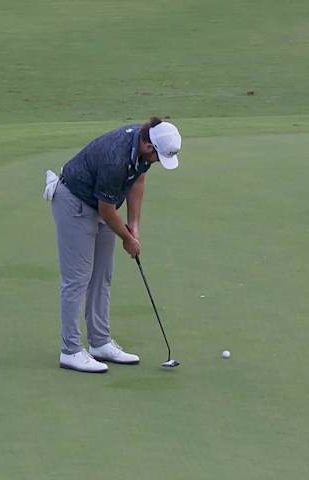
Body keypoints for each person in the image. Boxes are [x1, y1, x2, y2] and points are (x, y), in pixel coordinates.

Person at [43, 117, 182, 373]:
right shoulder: (114, 158)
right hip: (74, 203)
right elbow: (106, 210)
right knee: (77, 278)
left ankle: (100, 342)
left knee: (102, 276)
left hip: (101, 204)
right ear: (149, 146)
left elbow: (137, 181)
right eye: (159, 158)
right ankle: (71, 350)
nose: (158, 163)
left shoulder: (144, 147)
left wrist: (134, 226)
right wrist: (128, 239)